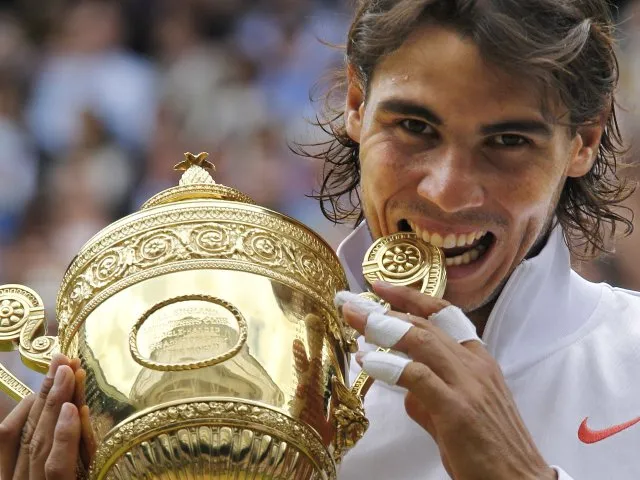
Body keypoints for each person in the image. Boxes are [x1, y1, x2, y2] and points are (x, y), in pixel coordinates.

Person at [1, 0, 639, 479]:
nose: (448, 192)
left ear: (583, 141)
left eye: (508, 141)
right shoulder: (222, 388)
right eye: (415, 128)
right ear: (356, 104)